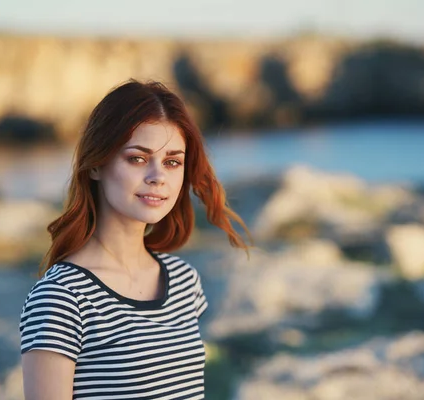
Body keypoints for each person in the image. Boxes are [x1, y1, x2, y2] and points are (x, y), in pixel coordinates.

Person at [19, 79, 251, 399]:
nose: (157, 177)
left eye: (172, 162)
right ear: (97, 164)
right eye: (137, 158)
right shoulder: (60, 297)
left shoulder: (185, 282)